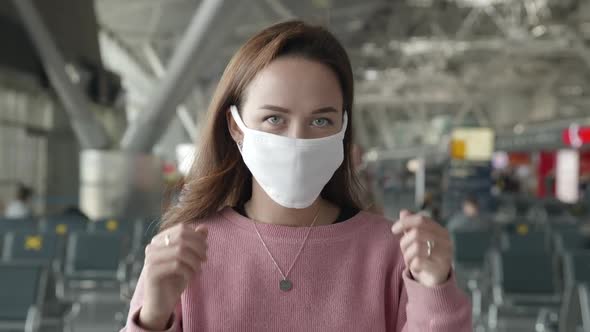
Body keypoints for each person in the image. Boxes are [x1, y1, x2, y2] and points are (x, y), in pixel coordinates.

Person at [122, 20, 471, 332]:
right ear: (236, 127)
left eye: (321, 121)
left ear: (343, 128)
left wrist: (435, 288)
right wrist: (153, 314)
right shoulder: (188, 250)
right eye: (275, 119)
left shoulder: (391, 253)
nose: (298, 139)